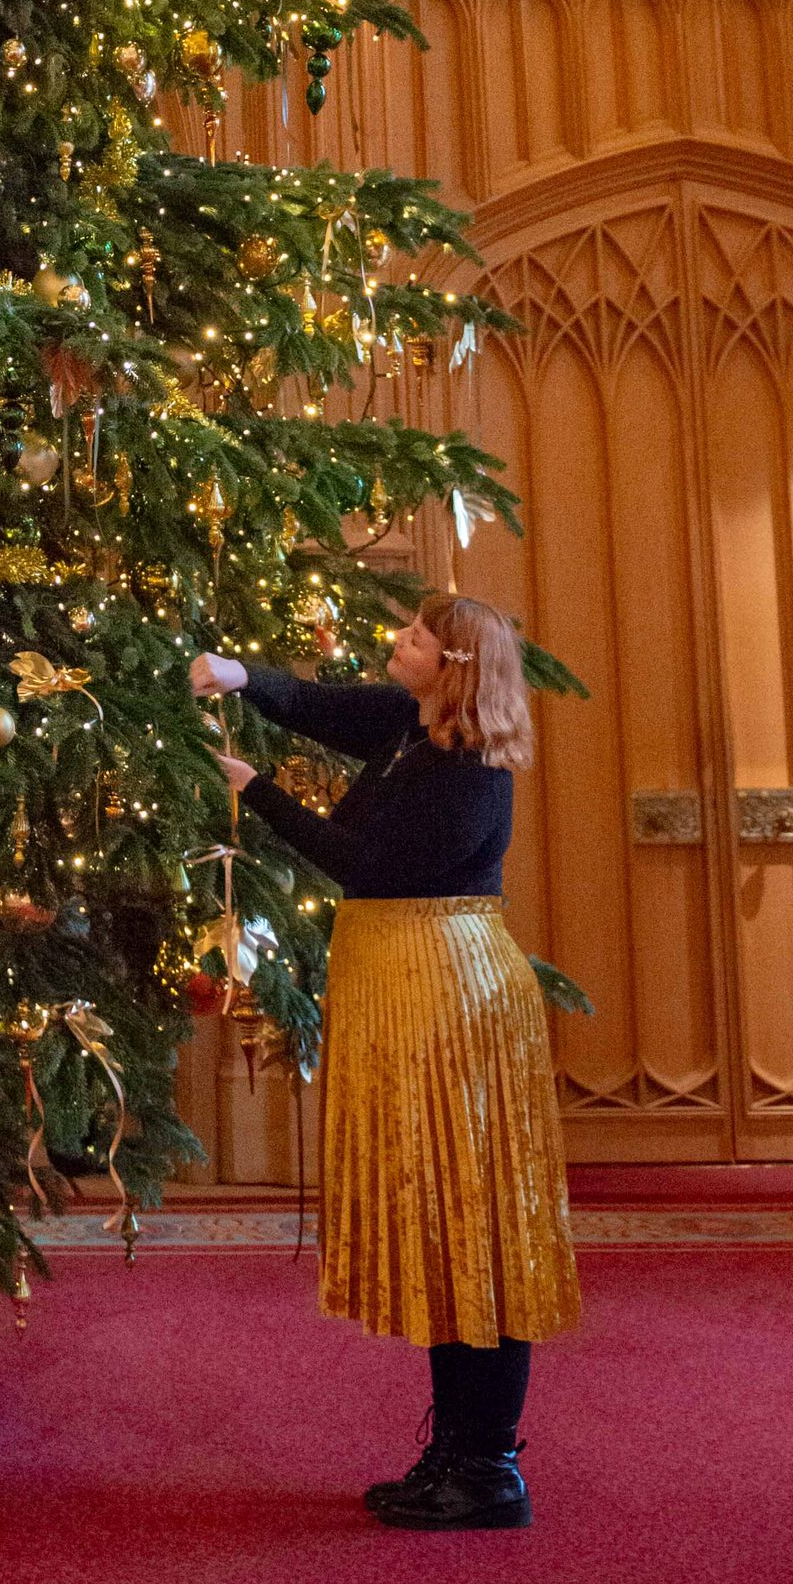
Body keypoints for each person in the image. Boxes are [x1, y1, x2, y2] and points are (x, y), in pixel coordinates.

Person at [191, 591, 580, 1531]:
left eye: (413, 637)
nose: (395, 643)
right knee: (447, 1231)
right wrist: (245, 678)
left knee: (475, 1229)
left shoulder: (467, 770)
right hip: (414, 991)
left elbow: (366, 864)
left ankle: (489, 1468)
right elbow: (325, 704)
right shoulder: (413, 722)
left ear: (451, 666)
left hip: (450, 1001)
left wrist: (256, 790)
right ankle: (456, 1450)